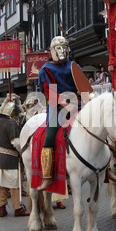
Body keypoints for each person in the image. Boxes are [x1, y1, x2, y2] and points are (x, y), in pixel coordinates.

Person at [36, 36, 80, 191]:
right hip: (56, 108)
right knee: (50, 137)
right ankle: (47, 176)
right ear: (52, 51)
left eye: (65, 48)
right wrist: (66, 105)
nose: (62, 51)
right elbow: (51, 93)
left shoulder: (74, 66)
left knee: (98, 127)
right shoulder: (45, 69)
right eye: (59, 48)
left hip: (76, 104)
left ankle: (106, 170)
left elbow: (82, 85)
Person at [0, 100, 30, 217]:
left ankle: (2, 208)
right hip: (10, 157)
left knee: (1, 183)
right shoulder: (11, 123)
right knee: (14, 184)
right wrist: (22, 152)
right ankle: (18, 208)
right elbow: (16, 142)